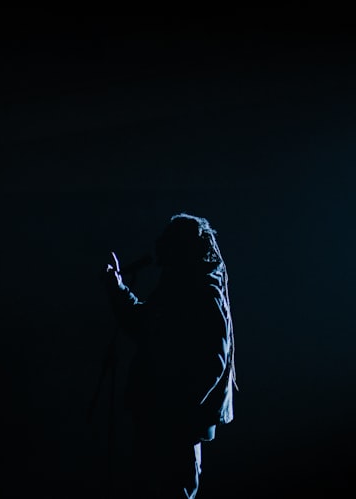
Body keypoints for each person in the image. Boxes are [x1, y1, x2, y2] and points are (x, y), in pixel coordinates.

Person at [101, 213, 237, 498]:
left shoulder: (201, 292)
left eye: (169, 240)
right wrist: (118, 290)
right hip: (162, 417)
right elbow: (144, 324)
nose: (160, 246)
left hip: (176, 423)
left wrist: (179, 407)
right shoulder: (177, 287)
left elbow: (214, 359)